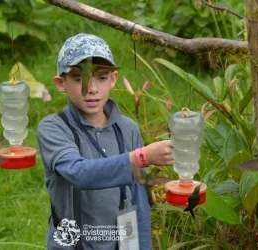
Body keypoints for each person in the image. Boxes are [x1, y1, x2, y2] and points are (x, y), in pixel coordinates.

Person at [37, 33, 174, 250]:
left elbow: (137, 199)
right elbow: (78, 172)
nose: (91, 89)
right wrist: (140, 157)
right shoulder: (54, 128)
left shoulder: (128, 129)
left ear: (113, 79)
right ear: (61, 83)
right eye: (79, 78)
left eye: (101, 77)